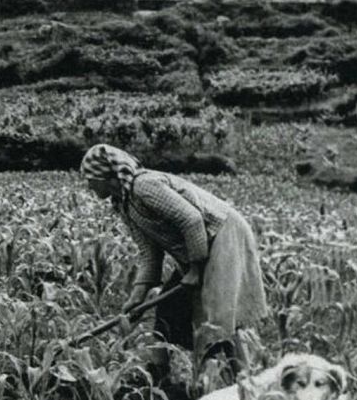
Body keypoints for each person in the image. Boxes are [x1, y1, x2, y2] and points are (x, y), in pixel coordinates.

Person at [79, 144, 268, 381]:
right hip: (198, 248)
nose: (88, 186)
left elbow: (192, 220)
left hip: (222, 235)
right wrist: (137, 296)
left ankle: (243, 381)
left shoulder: (143, 186)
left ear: (106, 176)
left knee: (218, 321)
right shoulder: (125, 204)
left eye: (89, 179)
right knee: (168, 313)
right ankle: (159, 380)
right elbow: (150, 254)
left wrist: (195, 270)